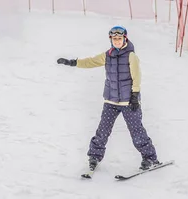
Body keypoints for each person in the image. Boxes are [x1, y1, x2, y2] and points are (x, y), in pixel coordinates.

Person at [56, 26, 161, 171]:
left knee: (137, 131)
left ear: (125, 38)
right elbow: (91, 61)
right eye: (114, 39)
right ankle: (94, 156)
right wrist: (73, 62)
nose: (117, 41)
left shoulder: (131, 56)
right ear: (111, 40)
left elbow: (137, 76)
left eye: (119, 38)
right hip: (111, 101)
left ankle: (150, 158)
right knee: (103, 130)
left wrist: (135, 95)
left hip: (128, 101)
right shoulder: (107, 55)